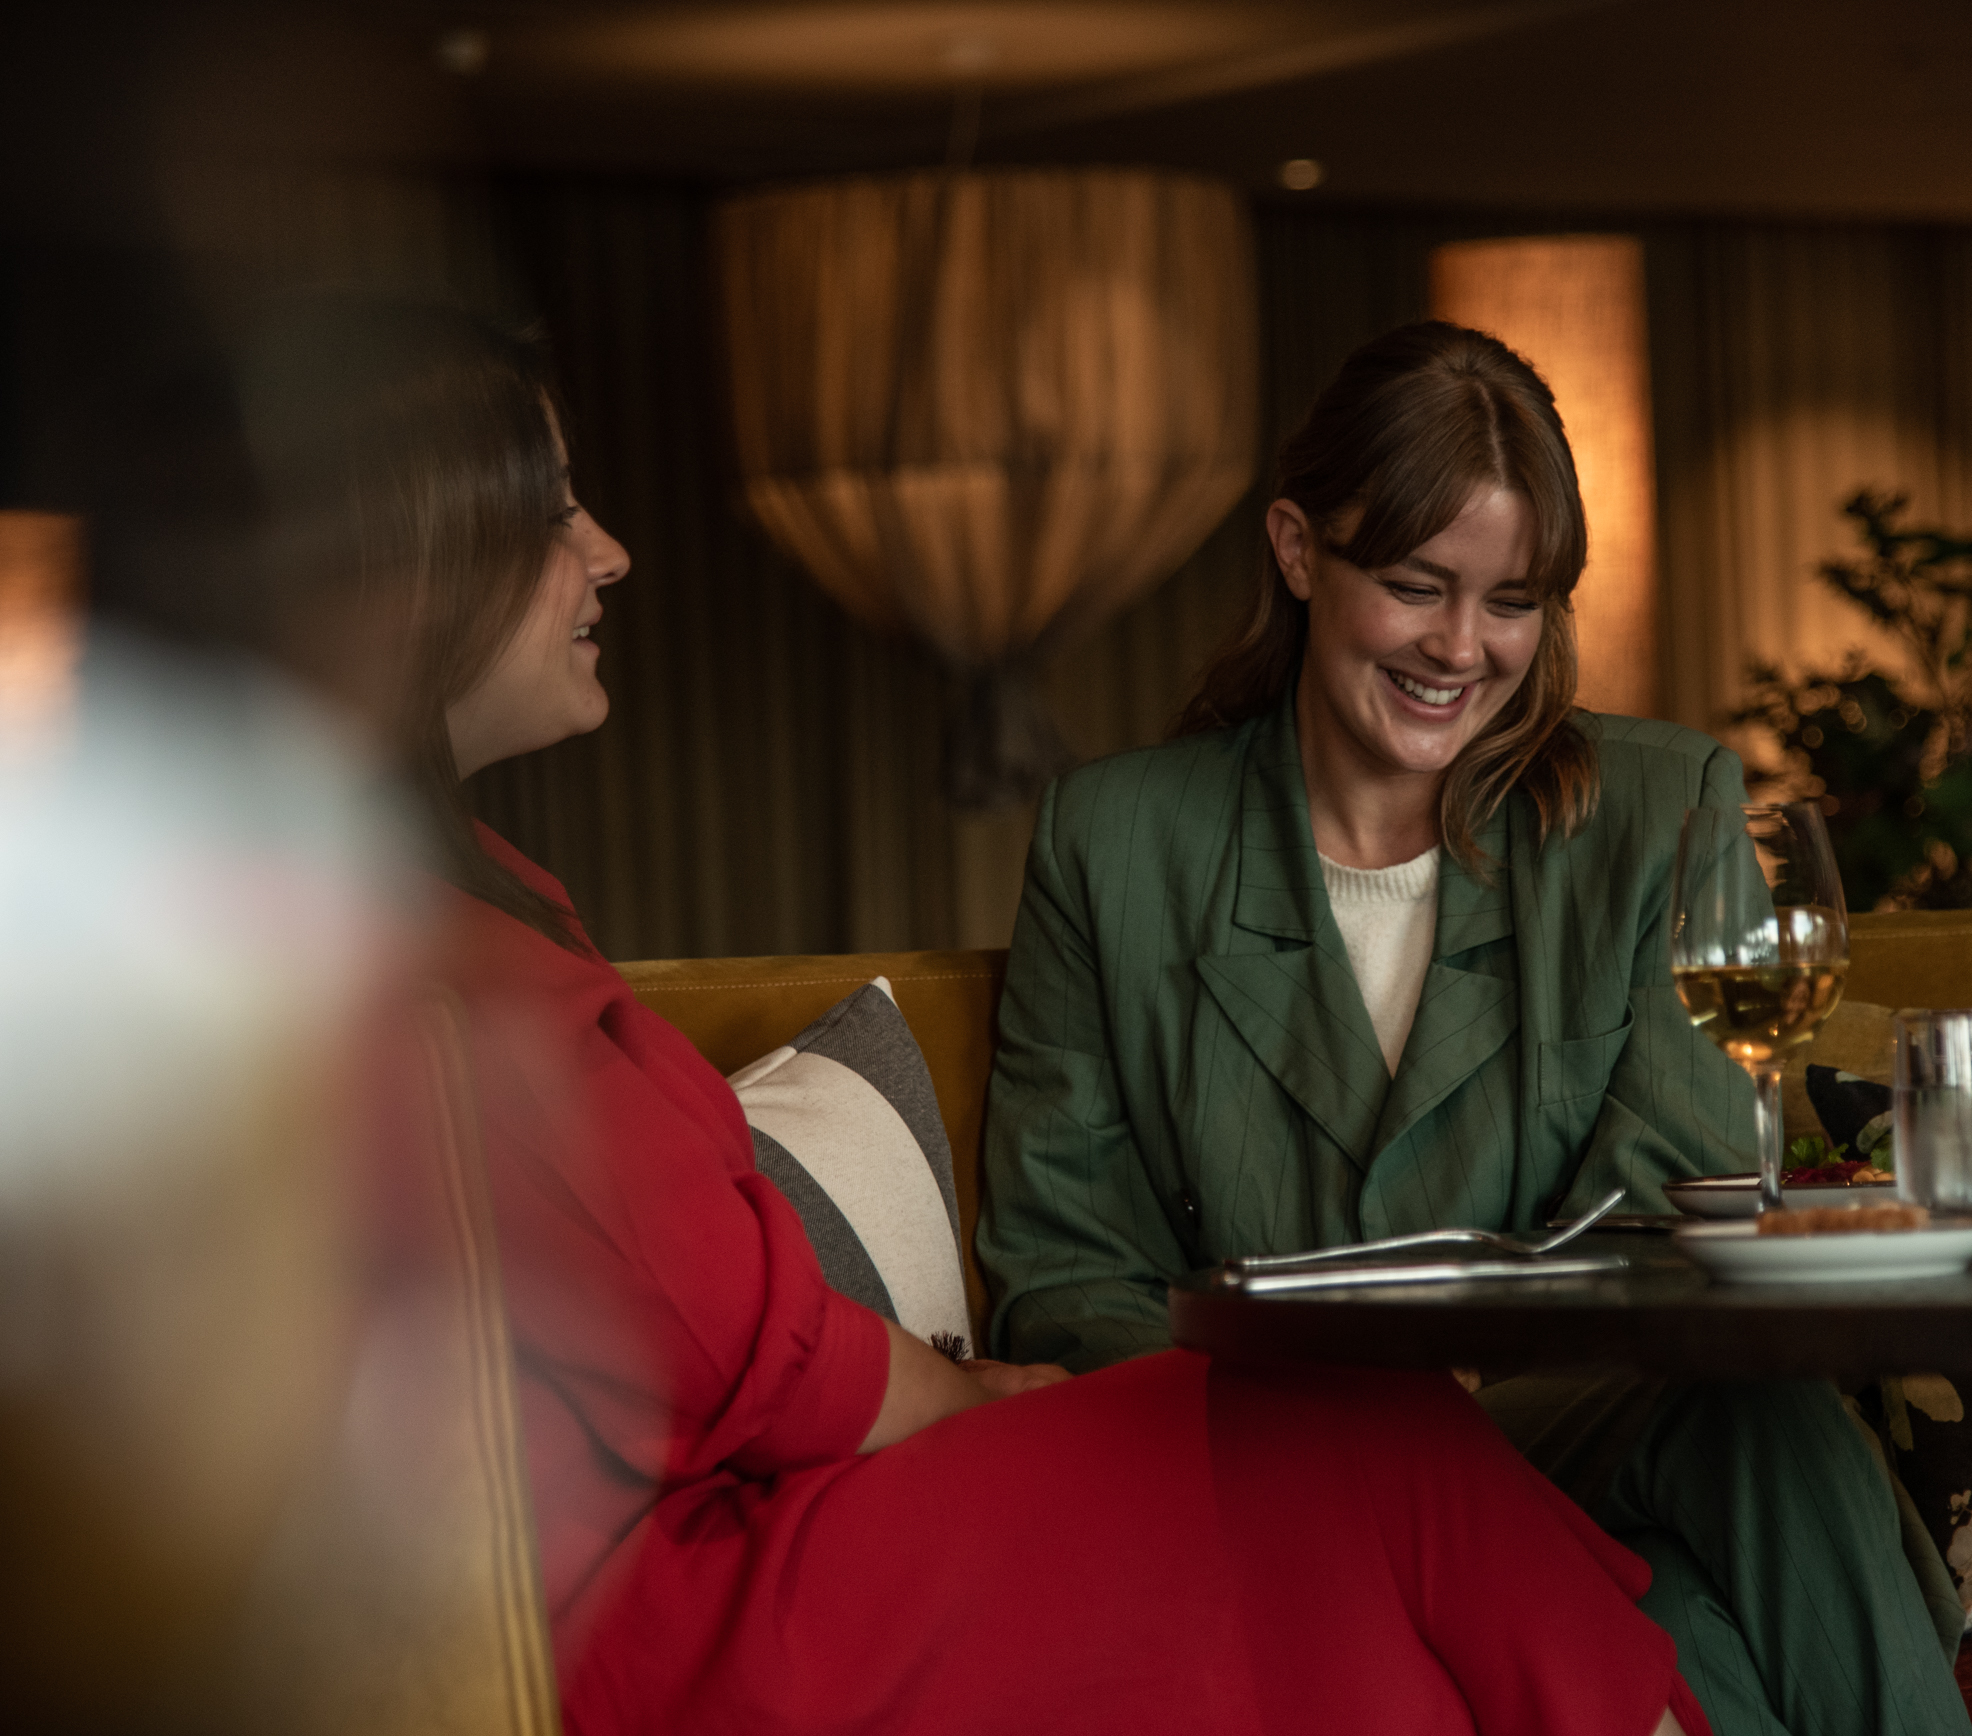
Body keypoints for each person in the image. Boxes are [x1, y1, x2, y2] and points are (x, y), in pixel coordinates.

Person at [263, 299, 1710, 1736]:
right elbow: (747, 1354)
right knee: (1349, 1424)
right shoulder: (432, 966)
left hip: (711, 1540)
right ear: (420, 572)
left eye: (1512, 600)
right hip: (669, 1608)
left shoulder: (464, 905)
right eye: (557, 511)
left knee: (1342, 1524)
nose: (609, 553)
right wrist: (988, 1400)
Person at [980, 321, 1972, 1736]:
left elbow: (1673, 1211)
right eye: (1414, 586)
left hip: (1578, 1423)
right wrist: (1336, 1412)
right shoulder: (1115, 840)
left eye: (1514, 600)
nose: (1464, 649)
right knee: (1687, 1615)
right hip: (1287, 1465)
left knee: (1750, 1424)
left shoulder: (1664, 809)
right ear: (1296, 548)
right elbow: (1060, 1272)